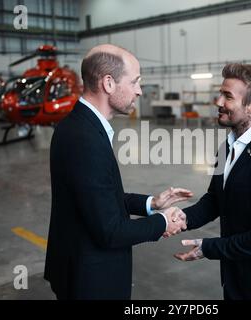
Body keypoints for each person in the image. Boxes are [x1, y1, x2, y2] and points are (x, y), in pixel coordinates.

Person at [44, 44, 190, 300]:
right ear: (108, 83)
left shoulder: (82, 127)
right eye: (134, 82)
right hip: (90, 281)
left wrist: (152, 203)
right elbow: (110, 231)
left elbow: (98, 199)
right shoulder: (84, 138)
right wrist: (163, 221)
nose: (139, 90)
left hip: (80, 270)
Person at [173, 64, 251, 300]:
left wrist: (209, 248)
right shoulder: (228, 146)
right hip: (235, 276)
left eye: (228, 96)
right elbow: (215, 199)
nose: (218, 102)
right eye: (220, 93)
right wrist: (184, 219)